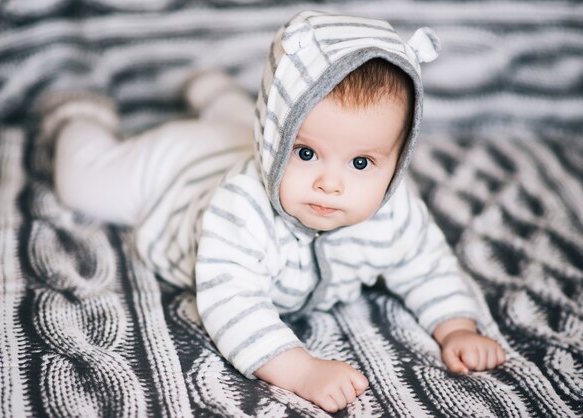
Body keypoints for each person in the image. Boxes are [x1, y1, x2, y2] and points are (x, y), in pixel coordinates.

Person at [37, 10, 506, 413]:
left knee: (243, 125)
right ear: (277, 138)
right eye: (305, 153)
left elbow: (427, 265)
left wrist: (456, 327)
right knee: (82, 183)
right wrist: (301, 370)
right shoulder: (240, 207)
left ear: (397, 160)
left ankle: (215, 93)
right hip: (178, 172)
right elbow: (231, 303)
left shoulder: (394, 211)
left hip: (243, 134)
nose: (330, 182)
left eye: (361, 162)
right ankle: (81, 115)